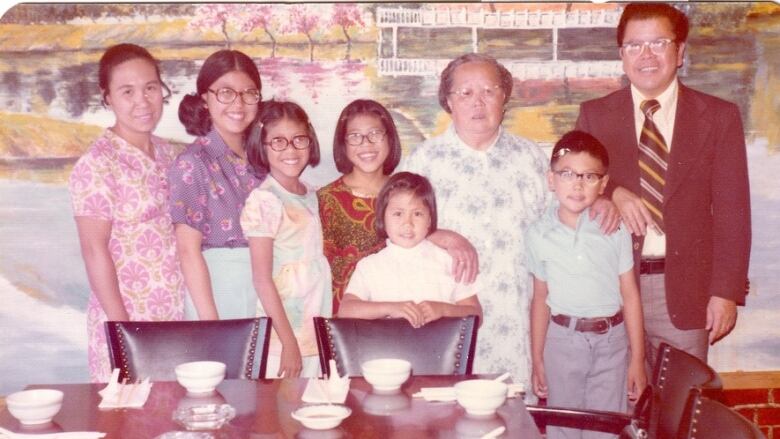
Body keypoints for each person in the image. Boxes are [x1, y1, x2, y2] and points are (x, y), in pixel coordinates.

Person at [575, 2, 751, 369]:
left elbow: (734, 212)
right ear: (621, 55)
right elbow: (573, 191)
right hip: (613, 291)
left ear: (680, 51)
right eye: (634, 45)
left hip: (688, 293)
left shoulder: (719, 116)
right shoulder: (594, 114)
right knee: (619, 411)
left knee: (680, 411)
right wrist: (613, 191)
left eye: (658, 43)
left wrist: (725, 293)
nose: (647, 55)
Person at [400, 53, 562, 396]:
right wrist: (441, 235)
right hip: (445, 322)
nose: (478, 103)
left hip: (516, 320)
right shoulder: (423, 162)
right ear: (448, 101)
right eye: (466, 93)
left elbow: (557, 230)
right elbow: (393, 232)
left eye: (489, 91)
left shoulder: (531, 158)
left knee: (514, 420)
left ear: (505, 98)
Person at [68, 43, 184, 382]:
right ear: (108, 98)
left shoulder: (170, 154)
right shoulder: (98, 164)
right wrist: (123, 332)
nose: (142, 101)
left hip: (177, 313)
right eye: (127, 91)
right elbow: (94, 251)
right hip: (127, 318)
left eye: (150, 88)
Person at [526, 131, 646, 439]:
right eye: (567, 174)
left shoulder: (613, 228)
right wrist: (537, 357)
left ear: (604, 184)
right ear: (551, 179)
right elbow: (540, 298)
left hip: (612, 344)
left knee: (606, 428)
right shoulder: (538, 233)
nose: (577, 185)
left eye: (589, 176)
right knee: (562, 429)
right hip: (562, 342)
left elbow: (630, 295)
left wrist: (637, 359)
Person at [169, 50, 265, 320]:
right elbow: (188, 251)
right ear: (204, 100)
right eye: (225, 92)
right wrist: (210, 322)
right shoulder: (192, 163)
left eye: (249, 93)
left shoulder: (266, 157)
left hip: (269, 287)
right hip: (218, 290)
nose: (238, 103)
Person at [240, 100, 332, 378]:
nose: (290, 150)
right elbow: (261, 279)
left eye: (298, 140)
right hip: (285, 331)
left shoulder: (311, 193)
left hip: (315, 314)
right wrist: (289, 342)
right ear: (263, 146)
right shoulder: (265, 200)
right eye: (278, 142)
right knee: (283, 409)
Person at [338, 172, 483, 327]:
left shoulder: (449, 261)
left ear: (429, 220)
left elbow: (476, 314)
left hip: (437, 348)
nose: (408, 223)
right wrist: (391, 308)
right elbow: (346, 310)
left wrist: (443, 310)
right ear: (382, 218)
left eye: (417, 214)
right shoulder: (369, 265)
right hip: (388, 349)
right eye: (398, 213)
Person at [317, 99, 402, 314]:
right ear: (343, 145)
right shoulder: (326, 200)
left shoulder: (406, 195)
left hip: (403, 313)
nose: (366, 143)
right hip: (346, 320)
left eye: (375, 133)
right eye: (355, 136)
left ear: (390, 139)